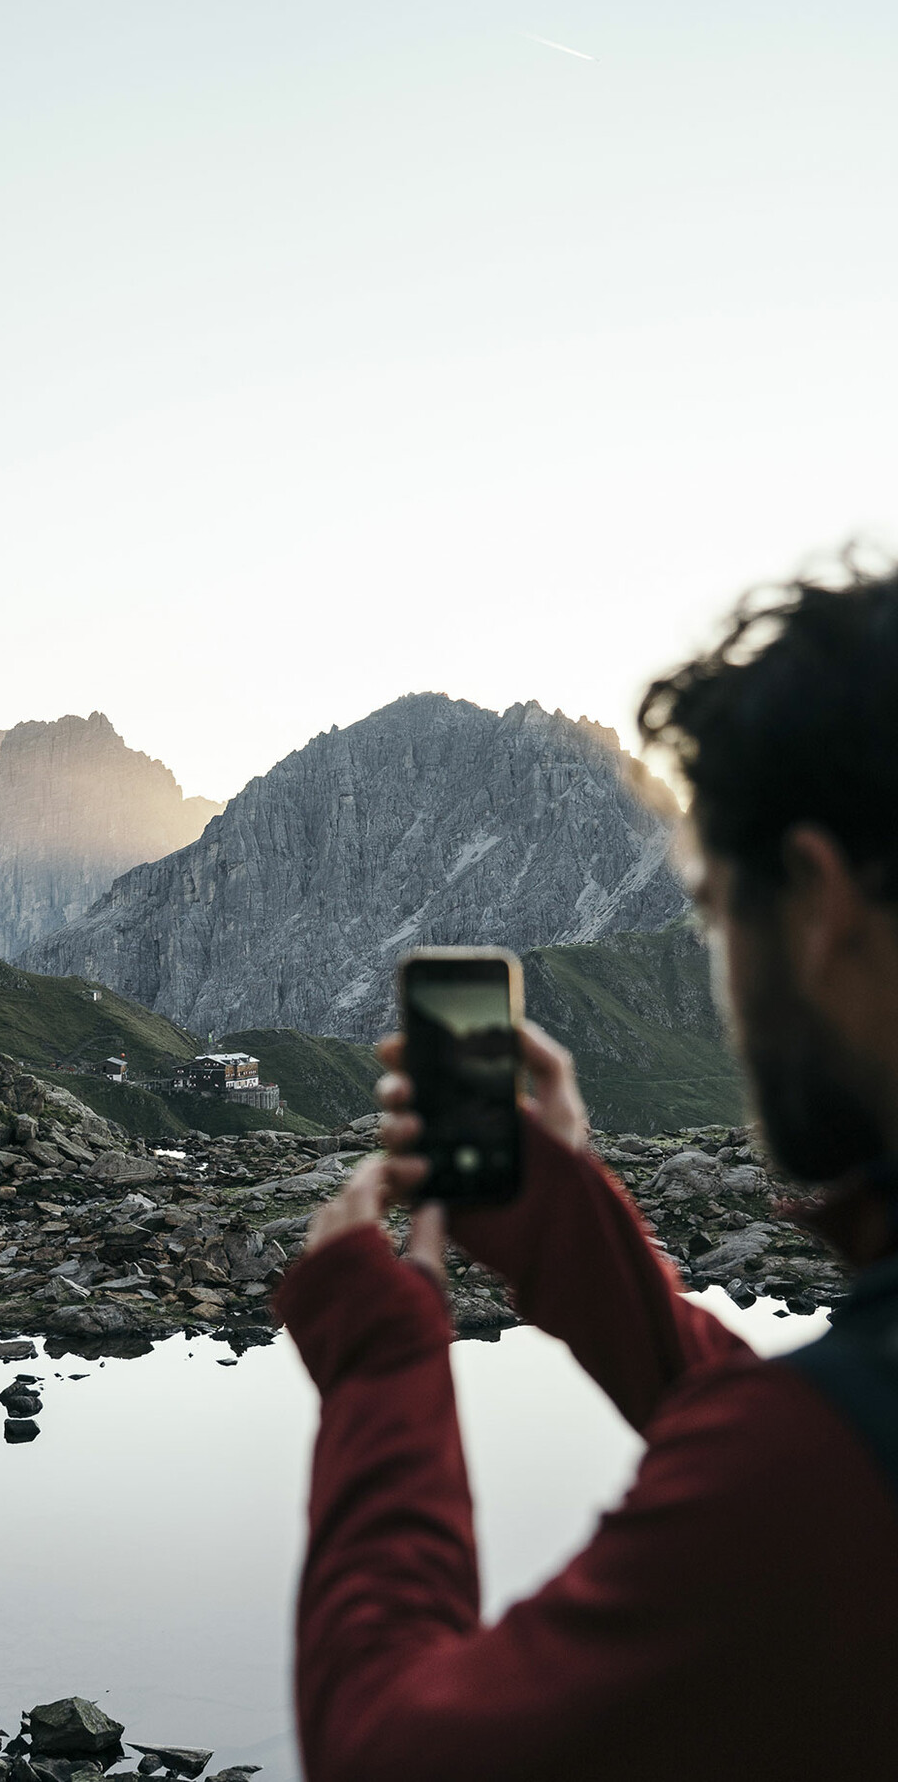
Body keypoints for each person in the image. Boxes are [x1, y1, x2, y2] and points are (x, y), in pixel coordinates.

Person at [274, 557, 898, 1780]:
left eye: (719, 919)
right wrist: (572, 1241)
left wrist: (377, 1356)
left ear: (817, 906)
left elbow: (391, 1750)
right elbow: (843, 1436)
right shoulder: (834, 1458)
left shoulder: (805, 1485)